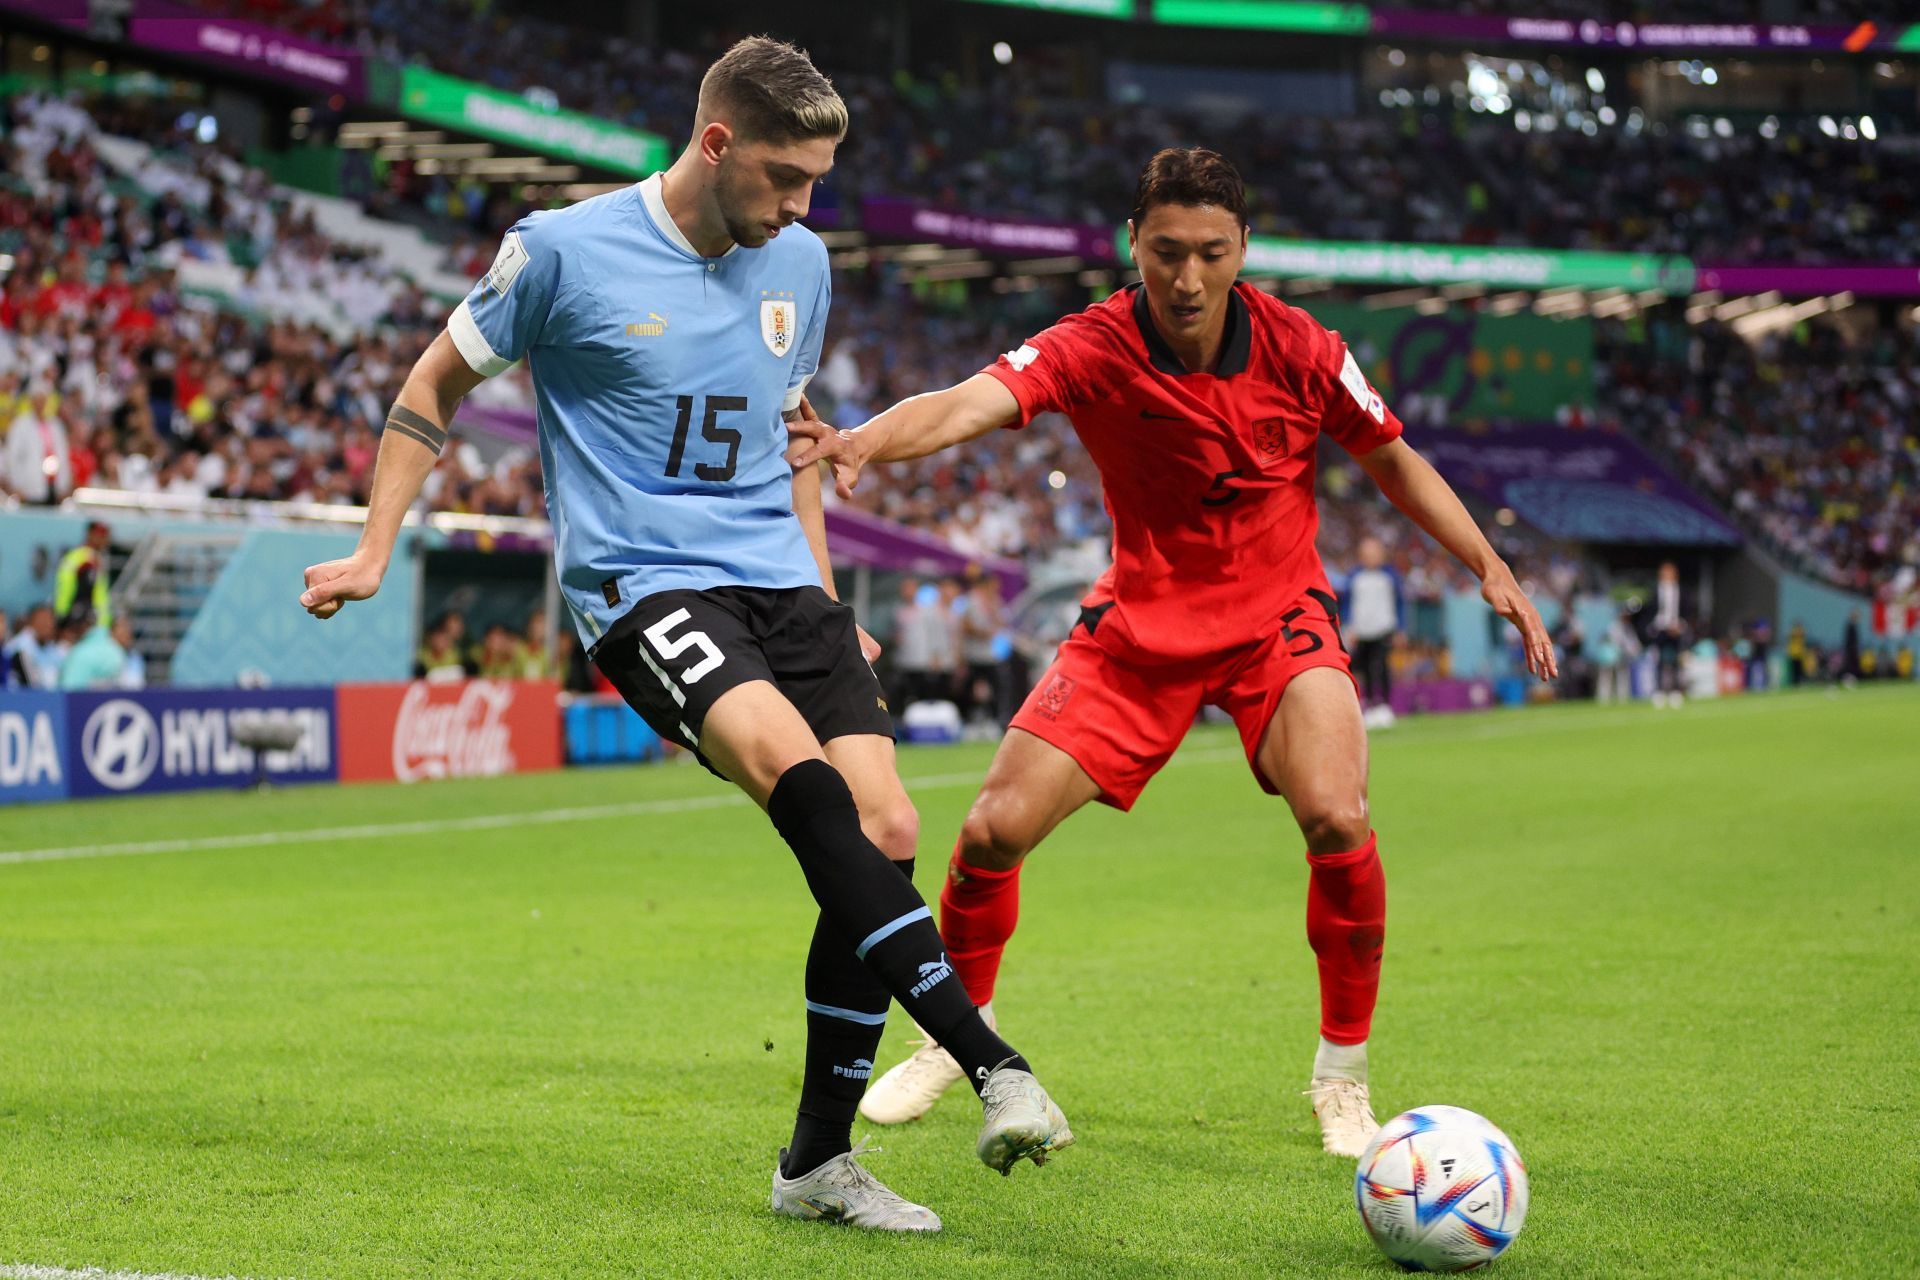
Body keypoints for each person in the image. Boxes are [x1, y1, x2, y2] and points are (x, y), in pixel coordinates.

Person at [296, 37, 1070, 1234]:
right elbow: (432, 384)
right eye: (783, 177)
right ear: (716, 145)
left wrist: (828, 600)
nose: (803, 206)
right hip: (645, 586)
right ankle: (990, 1060)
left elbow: (793, 440)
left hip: (780, 583)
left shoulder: (799, 262)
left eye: (816, 179)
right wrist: (375, 545)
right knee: (799, 780)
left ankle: (817, 1163)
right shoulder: (563, 252)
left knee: (890, 825)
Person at [799, 147, 1555, 1158]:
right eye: (1165, 252)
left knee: (1337, 811)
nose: (1187, 277)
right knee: (989, 832)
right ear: (1133, 245)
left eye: (1210, 252)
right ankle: (954, 1041)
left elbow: (1393, 459)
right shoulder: (1094, 343)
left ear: (1243, 249)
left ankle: (1343, 1074)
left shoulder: (1306, 349)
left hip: (1276, 622)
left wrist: (1485, 561)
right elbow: (969, 399)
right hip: (1138, 630)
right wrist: (864, 440)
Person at [1342, 536, 1400, 725]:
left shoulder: (1390, 576)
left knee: (1382, 666)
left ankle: (1385, 705)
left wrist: (1400, 629)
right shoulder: (1354, 577)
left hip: (1383, 628)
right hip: (1361, 631)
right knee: (1364, 669)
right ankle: (1370, 705)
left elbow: (1399, 603)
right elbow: (1348, 605)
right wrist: (1349, 626)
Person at [55, 520, 114, 626]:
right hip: (80, 621)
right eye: (99, 535)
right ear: (89, 534)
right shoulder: (78, 558)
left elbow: (100, 595)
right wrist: (63, 615)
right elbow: (65, 588)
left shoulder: (97, 559)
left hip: (97, 623)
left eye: (105, 536)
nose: (103, 540)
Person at [1646, 561, 1688, 709]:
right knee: (1659, 662)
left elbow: (1686, 610)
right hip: (1660, 629)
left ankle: (1676, 691)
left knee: (1676, 661)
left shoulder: (1681, 590)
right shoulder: (1655, 590)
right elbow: (1650, 611)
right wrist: (1655, 626)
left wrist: (1679, 625)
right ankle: (1659, 692)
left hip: (1676, 629)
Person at [3, 603, 59, 689]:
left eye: (51, 620)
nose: (49, 625)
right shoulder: (18, 647)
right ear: (31, 621)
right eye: (43, 620)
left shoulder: (52, 648)